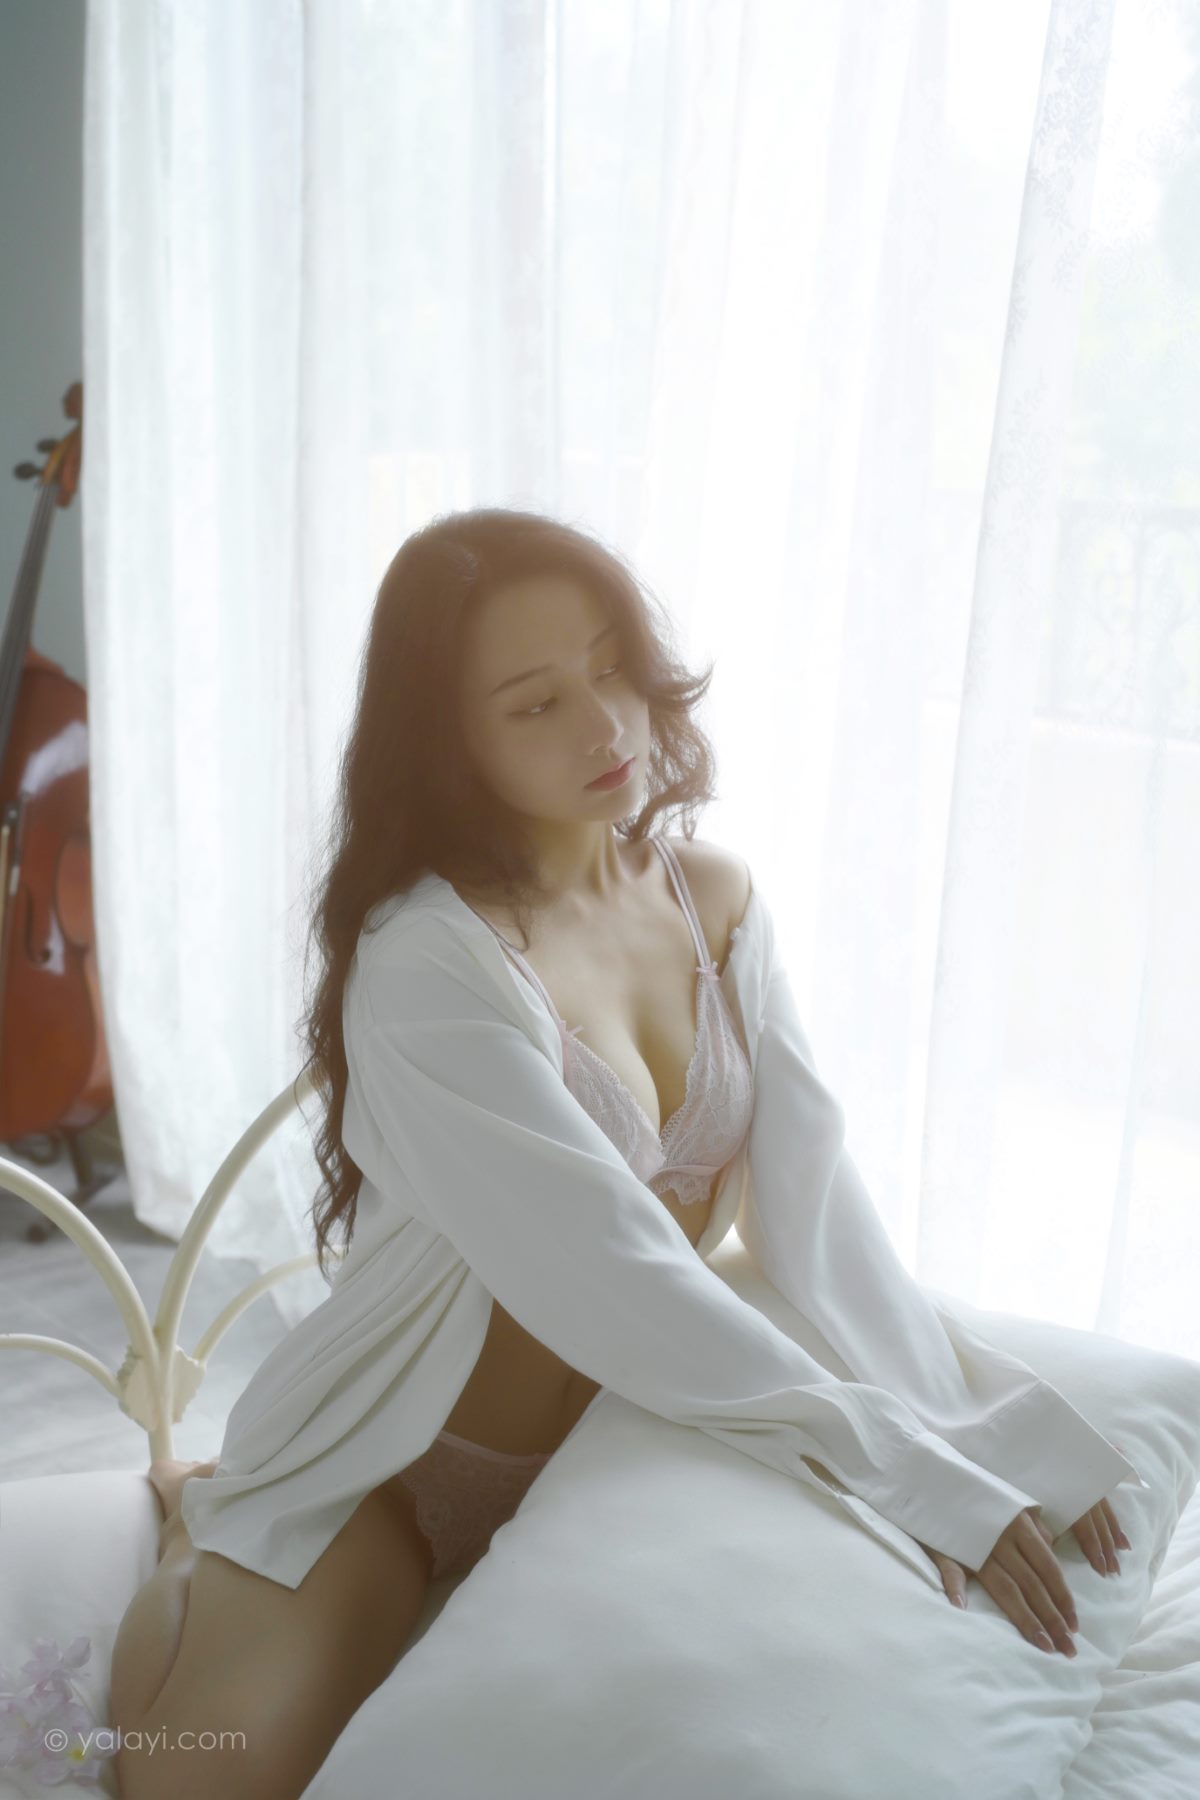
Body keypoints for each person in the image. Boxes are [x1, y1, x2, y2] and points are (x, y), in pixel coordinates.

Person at [109, 509, 1142, 1800]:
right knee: (198, 1781)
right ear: (451, 742)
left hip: (634, 1444)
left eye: (612, 667)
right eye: (537, 703)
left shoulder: (716, 901)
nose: (606, 726)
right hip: (394, 1465)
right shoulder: (430, 958)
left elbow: (816, 1219)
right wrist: (901, 1467)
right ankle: (198, 1526)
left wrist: (979, 1438)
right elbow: (618, 1273)